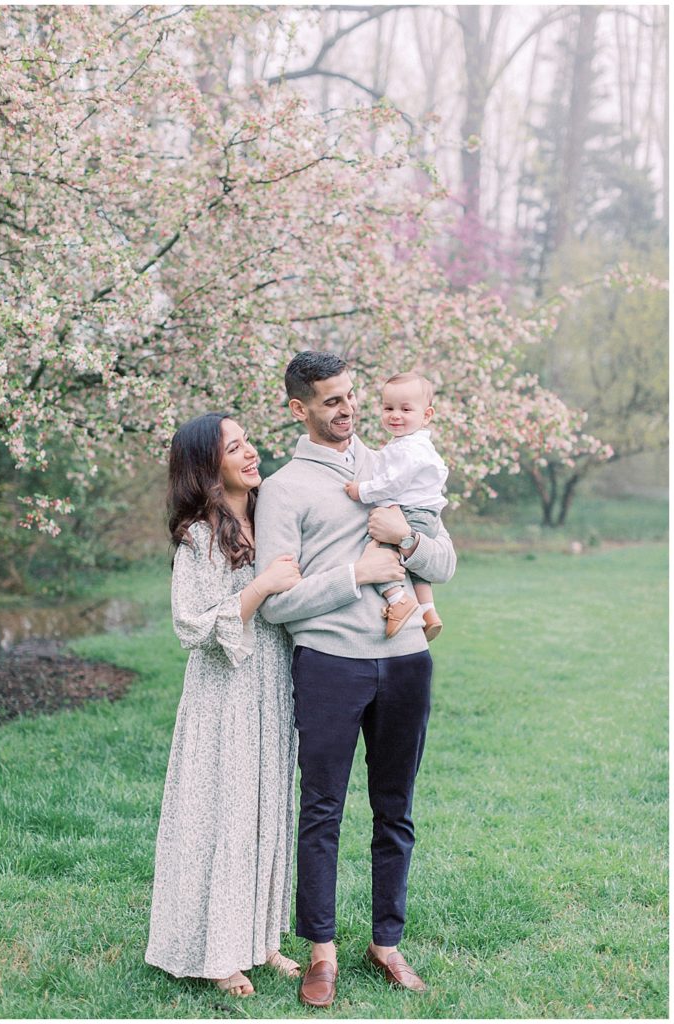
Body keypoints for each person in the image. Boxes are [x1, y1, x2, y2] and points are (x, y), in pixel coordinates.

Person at [255, 351, 457, 1008]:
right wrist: (355, 578)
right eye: (331, 401)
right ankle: (321, 953)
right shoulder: (283, 489)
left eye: (350, 396)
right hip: (329, 666)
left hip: (405, 662)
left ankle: (386, 943)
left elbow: (445, 561)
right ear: (299, 408)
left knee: (395, 810)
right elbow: (276, 603)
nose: (348, 410)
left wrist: (408, 538)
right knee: (322, 812)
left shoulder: (397, 461)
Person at [145, 412, 302, 997]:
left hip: (273, 684)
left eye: (247, 442)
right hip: (225, 691)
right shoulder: (198, 536)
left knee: (267, 808)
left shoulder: (270, 516)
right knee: (227, 813)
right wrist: (259, 587)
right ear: (209, 470)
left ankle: (260, 941)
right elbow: (191, 626)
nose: (250, 453)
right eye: (234, 448)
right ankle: (214, 951)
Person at [344, 371, 448, 641]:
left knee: (375, 551)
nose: (395, 415)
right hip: (425, 515)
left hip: (411, 514)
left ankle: (397, 599)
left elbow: (391, 484)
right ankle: (429, 612)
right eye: (388, 408)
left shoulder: (408, 450)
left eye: (405, 409)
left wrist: (361, 490)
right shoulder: (411, 445)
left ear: (426, 415)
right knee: (416, 569)